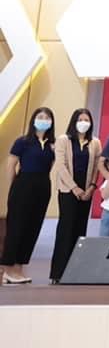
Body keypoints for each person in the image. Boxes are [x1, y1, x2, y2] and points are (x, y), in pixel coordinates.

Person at [1, 107, 56, 284]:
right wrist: (15, 186)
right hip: (23, 184)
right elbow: (11, 165)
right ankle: (7, 269)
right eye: (40, 117)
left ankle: (19, 268)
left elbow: (50, 166)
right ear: (33, 119)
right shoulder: (23, 142)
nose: (44, 120)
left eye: (47, 118)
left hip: (43, 186)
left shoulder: (52, 145)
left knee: (32, 228)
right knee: (16, 227)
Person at [50, 108, 101, 284]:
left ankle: (76, 271)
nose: (83, 123)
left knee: (80, 229)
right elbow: (60, 165)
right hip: (68, 191)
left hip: (86, 192)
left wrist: (91, 187)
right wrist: (74, 188)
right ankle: (58, 273)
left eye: (87, 120)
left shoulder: (95, 142)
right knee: (66, 229)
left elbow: (96, 167)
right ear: (74, 121)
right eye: (80, 119)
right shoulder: (63, 140)